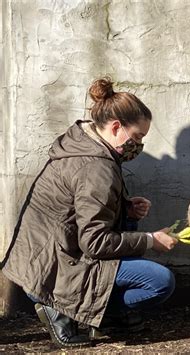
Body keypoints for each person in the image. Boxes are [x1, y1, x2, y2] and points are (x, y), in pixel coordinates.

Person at [1, 77, 178, 347]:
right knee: (160, 282)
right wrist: (151, 240)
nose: (139, 145)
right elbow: (94, 242)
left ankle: (98, 315)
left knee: (132, 242)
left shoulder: (85, 143)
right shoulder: (96, 167)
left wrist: (126, 210)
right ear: (117, 127)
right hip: (55, 269)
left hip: (44, 258)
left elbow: (82, 211)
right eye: (138, 136)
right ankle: (66, 308)